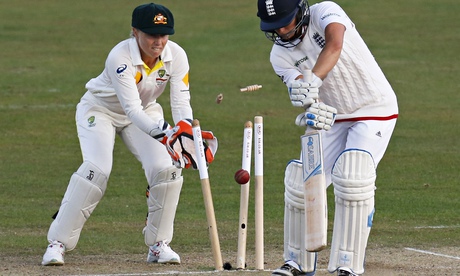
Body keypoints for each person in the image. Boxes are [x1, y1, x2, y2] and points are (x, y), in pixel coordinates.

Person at [42, 2, 217, 266]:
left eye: (163, 34)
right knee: (97, 170)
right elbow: (131, 109)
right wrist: (167, 135)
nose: (158, 41)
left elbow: (181, 101)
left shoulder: (177, 55)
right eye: (151, 35)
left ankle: (158, 245)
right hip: (100, 110)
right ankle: (57, 243)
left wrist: (185, 132)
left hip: (147, 112)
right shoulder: (120, 57)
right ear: (135, 32)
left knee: (167, 169)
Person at [257, 0, 398, 275]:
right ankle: (298, 261)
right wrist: (310, 107)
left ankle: (348, 265)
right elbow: (301, 89)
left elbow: (334, 44)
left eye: (286, 21)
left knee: (353, 175)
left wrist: (314, 81)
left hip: (374, 107)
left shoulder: (325, 12)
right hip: (331, 117)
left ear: (300, 10)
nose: (283, 31)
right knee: (301, 180)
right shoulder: (279, 56)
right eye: (275, 27)